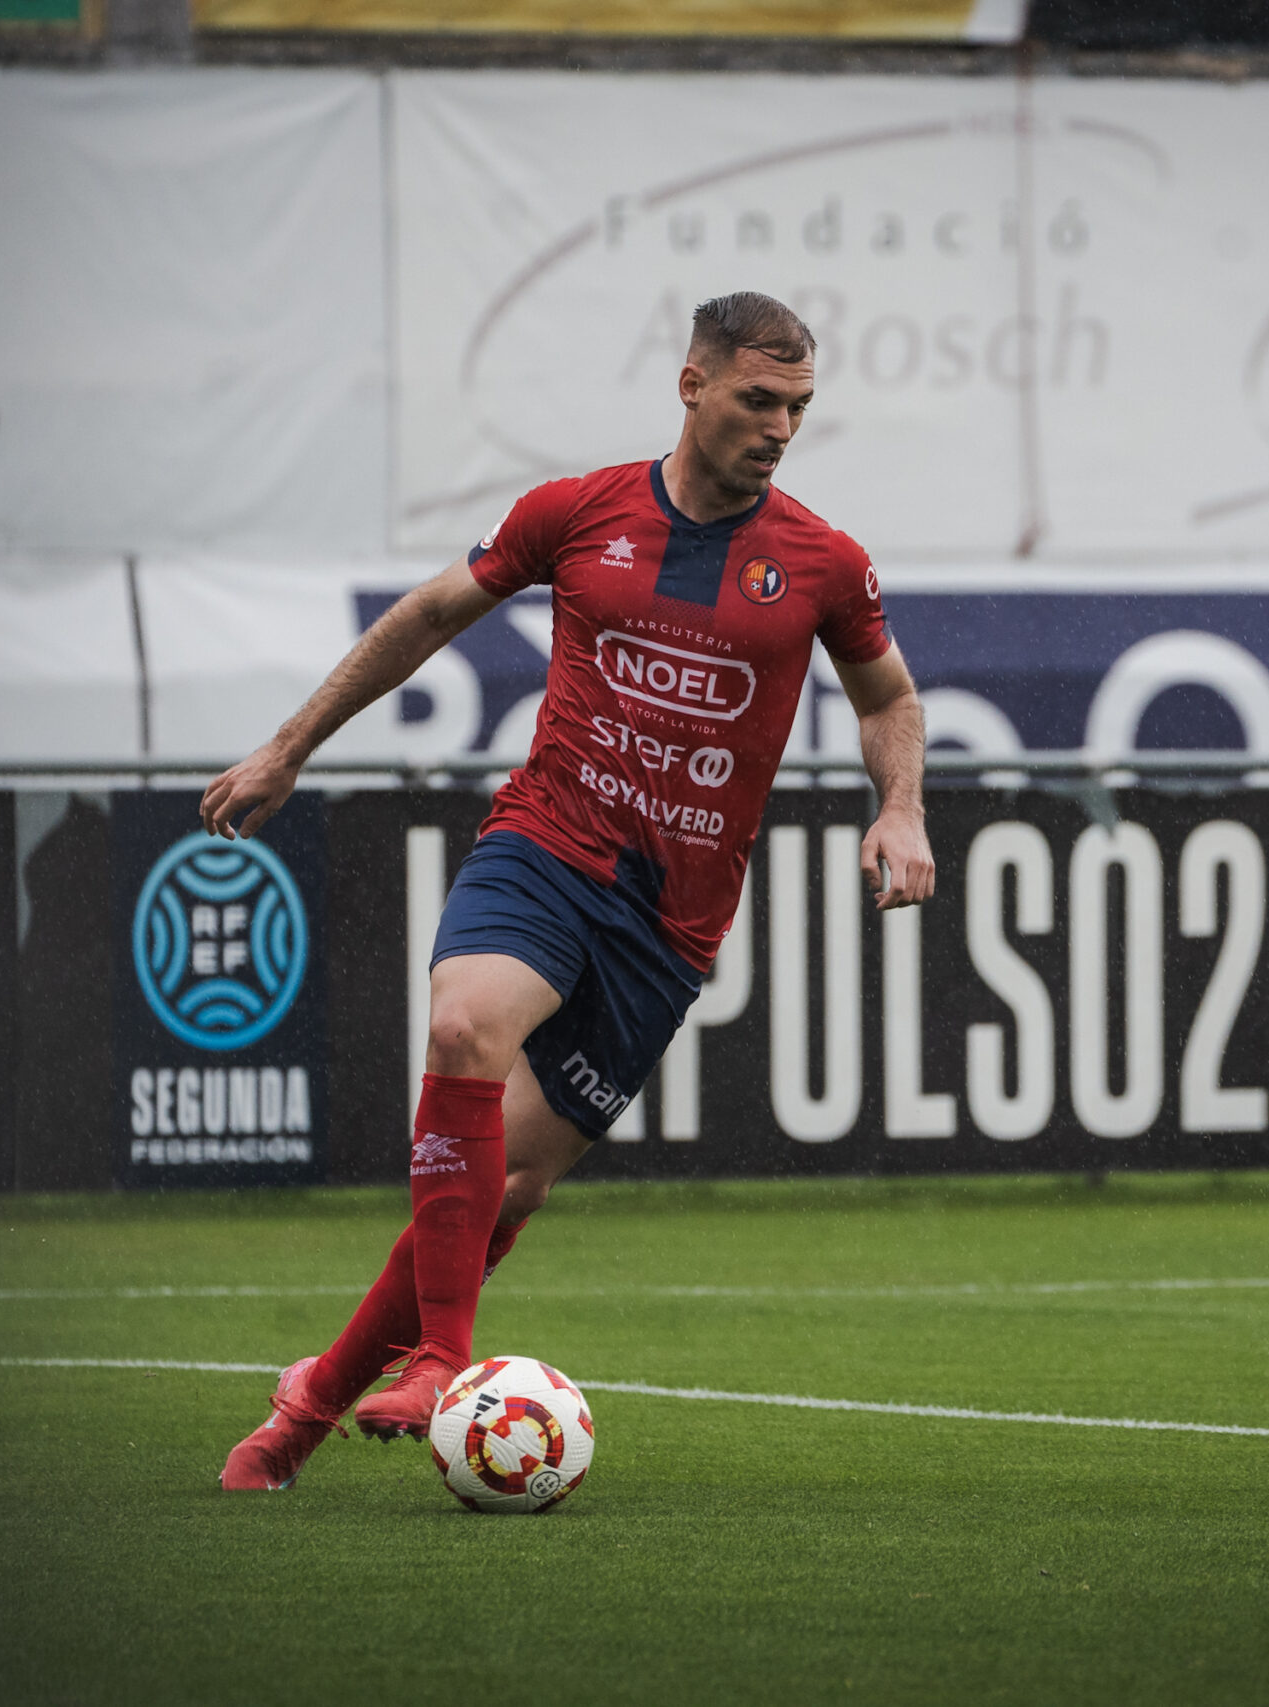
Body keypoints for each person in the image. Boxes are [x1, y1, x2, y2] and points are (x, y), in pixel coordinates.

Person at [202, 290, 934, 1491]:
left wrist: (899, 806)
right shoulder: (577, 512)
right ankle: (442, 1360)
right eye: (759, 399)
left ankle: (313, 1400)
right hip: (548, 842)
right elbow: (430, 614)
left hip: (669, 925)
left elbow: (888, 697)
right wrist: (289, 748)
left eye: (799, 408)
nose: (780, 428)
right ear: (691, 384)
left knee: (509, 1186)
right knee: (463, 1026)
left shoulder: (824, 563)